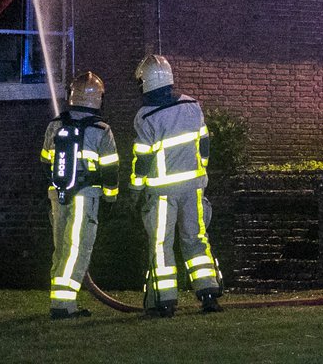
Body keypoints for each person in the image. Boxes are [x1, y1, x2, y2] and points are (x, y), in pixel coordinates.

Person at [131, 54, 222, 316]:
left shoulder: (146, 117)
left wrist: (135, 190)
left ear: (145, 83)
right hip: (193, 188)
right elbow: (204, 145)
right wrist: (199, 172)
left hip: (161, 194)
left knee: (161, 245)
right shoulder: (193, 106)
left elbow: (143, 160)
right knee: (196, 240)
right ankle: (209, 294)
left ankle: (164, 300)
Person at [40, 70, 122, 320]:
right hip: (85, 197)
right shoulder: (101, 130)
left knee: (62, 249)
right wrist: (110, 198)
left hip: (58, 195)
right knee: (77, 248)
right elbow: (110, 170)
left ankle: (60, 301)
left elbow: (45, 163)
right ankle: (64, 306)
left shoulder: (55, 125)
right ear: (99, 98)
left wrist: (57, 189)